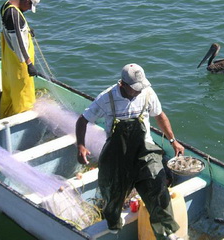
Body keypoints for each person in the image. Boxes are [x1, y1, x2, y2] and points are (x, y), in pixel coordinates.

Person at [76, 63, 185, 240]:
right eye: (135, 88)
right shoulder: (107, 98)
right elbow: (82, 120)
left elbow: (160, 116)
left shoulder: (148, 93)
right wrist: (80, 146)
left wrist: (173, 141)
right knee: (111, 192)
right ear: (123, 84)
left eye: (141, 87)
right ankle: (113, 224)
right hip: (117, 153)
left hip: (145, 150)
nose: (139, 91)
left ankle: (166, 232)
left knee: (157, 187)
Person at [0, 0, 40, 118]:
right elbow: (18, 42)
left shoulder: (6, 5)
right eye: (30, 6)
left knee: (10, 90)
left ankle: (6, 114)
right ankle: (22, 118)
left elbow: (15, 30)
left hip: (9, 58)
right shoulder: (14, 15)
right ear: (27, 1)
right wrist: (29, 63)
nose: (28, 9)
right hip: (19, 61)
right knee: (23, 93)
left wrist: (27, 30)